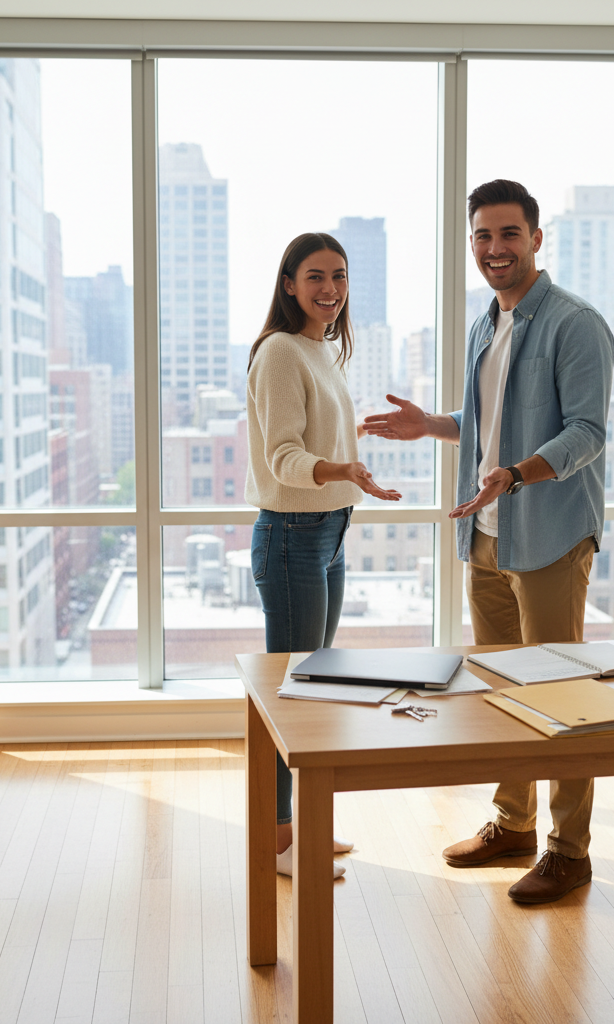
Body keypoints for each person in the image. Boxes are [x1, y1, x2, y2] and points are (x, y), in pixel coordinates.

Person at [364, 180, 614, 903]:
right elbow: (488, 422)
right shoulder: (487, 326)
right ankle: (515, 825)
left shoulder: (575, 323)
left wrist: (515, 474)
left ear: (537, 239)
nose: (495, 249)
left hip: (551, 537)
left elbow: (588, 433)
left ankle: (571, 851)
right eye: (482, 236)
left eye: (509, 234)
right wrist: (434, 426)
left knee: (563, 698)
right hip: (487, 537)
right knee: (503, 690)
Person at [246, 232, 402, 880]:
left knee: (313, 688)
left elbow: (306, 430)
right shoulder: (280, 351)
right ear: (288, 283)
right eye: (315, 276)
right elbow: (283, 456)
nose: (330, 289)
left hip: (328, 532)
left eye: (338, 276)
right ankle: (280, 841)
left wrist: (348, 434)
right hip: (293, 536)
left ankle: (296, 824)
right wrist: (344, 465)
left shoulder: (319, 349)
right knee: (294, 697)